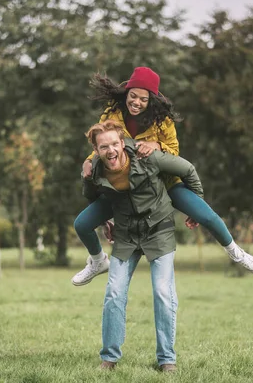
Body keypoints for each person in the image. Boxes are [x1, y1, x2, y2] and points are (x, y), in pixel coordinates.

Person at [72, 66, 253, 286]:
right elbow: (103, 144)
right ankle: (97, 261)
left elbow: (174, 152)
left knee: (207, 216)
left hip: (162, 182)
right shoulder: (112, 113)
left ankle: (236, 252)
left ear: (150, 100)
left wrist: (156, 144)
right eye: (133, 96)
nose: (136, 102)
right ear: (127, 93)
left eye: (143, 99)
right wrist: (88, 161)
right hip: (125, 188)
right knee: (82, 224)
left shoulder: (162, 120)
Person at [83, 119, 203, 371]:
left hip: (158, 232)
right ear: (96, 149)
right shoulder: (94, 169)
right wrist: (106, 219)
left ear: (121, 142)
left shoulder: (146, 156)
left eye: (115, 144)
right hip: (126, 235)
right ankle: (109, 358)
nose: (111, 151)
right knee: (114, 293)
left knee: (162, 293)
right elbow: (93, 196)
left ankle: (167, 359)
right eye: (103, 147)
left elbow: (188, 169)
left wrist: (196, 206)